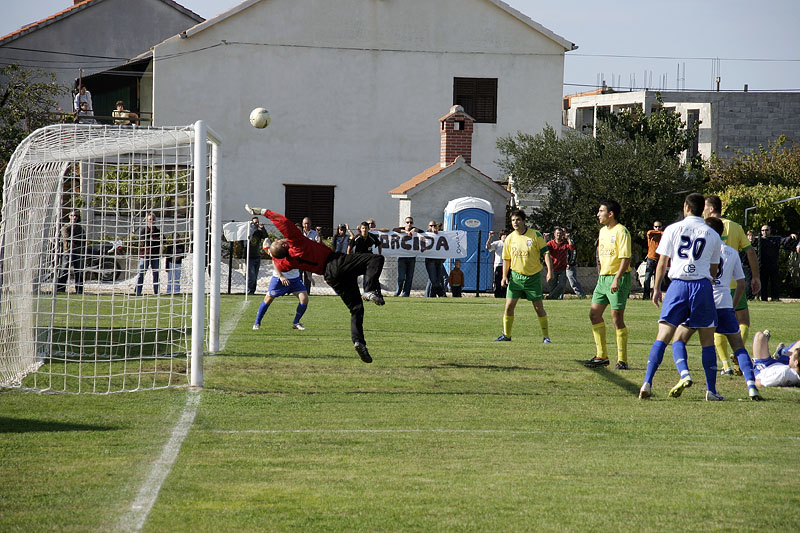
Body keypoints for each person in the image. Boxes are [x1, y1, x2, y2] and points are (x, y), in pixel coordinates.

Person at [246, 204, 386, 363]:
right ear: (285, 245)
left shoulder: (286, 262)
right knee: (376, 259)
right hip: (335, 262)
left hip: (330, 276)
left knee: (356, 308)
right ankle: (369, 290)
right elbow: (284, 223)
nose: (281, 238)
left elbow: (277, 261)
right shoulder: (296, 243)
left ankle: (358, 341)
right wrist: (264, 212)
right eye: (280, 240)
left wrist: (270, 250)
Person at [666, 217, 762, 401]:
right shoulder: (732, 253)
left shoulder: (703, 250)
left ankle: (687, 374)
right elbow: (741, 284)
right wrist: (732, 306)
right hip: (725, 303)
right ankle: (751, 386)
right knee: (738, 346)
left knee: (680, 339)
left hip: (704, 301)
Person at [639, 193, 722, 400]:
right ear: (703, 209)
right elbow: (714, 268)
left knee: (663, 336)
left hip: (678, 285)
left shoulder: (672, 229)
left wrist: (656, 288)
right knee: (707, 341)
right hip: (701, 285)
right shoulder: (712, 233)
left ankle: (647, 383)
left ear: (686, 207)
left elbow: (662, 262)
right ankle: (711, 390)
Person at [703, 195, 760, 376]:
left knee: (715, 323)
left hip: (713, 284)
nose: (703, 210)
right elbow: (749, 251)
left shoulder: (705, 228)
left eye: (705, 207)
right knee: (742, 321)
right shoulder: (735, 227)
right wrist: (755, 276)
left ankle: (726, 364)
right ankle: (737, 357)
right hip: (734, 280)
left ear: (711, 209)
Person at [584, 200, 632, 370]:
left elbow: (626, 258)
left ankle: (622, 360)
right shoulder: (602, 231)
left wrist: (616, 278)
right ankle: (601, 355)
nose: (598, 214)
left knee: (616, 318)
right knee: (594, 315)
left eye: (601, 211)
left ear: (610, 214)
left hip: (617, 278)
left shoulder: (622, 231)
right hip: (603, 279)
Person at [493, 209, 554, 343]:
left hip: (532, 278)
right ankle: (506, 335)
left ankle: (546, 336)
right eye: (513, 220)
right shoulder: (509, 238)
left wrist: (549, 271)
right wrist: (504, 276)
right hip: (516, 278)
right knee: (508, 307)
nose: (515, 222)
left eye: (518, 220)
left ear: (524, 221)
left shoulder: (535, 235)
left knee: (539, 308)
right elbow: (506, 259)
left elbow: (546, 253)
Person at [252, 264, 309, 331]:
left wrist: (309, 275)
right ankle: (257, 323)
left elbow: (305, 262)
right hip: (278, 279)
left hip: (295, 279)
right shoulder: (282, 253)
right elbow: (274, 261)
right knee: (268, 299)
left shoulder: (299, 253)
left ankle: (296, 322)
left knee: (304, 299)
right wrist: (281, 276)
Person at [752, 224, 797, 302]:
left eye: (766, 230)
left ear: (770, 230)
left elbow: (784, 241)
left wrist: (791, 236)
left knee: (775, 282)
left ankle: (775, 298)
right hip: (762, 265)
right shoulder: (758, 240)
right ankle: (763, 299)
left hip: (773, 264)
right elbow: (749, 242)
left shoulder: (775, 239)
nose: (764, 232)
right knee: (763, 283)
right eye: (762, 230)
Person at [56, 210, 86, 294]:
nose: (75, 217)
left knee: (79, 271)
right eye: (73, 215)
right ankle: (60, 289)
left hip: (78, 252)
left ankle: (79, 291)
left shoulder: (80, 228)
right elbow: (67, 238)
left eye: (76, 216)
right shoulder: (65, 227)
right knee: (64, 270)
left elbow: (83, 239)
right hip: (68, 251)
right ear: (69, 216)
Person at [393, 216, 421, 297]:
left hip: (411, 257)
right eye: (407, 222)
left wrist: (415, 230)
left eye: (411, 222)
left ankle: (405, 294)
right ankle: (398, 292)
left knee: (409, 277)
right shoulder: (401, 229)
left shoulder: (415, 230)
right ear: (405, 223)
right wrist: (405, 231)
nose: (409, 224)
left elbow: (422, 232)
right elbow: (394, 230)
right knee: (401, 277)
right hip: (402, 257)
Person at [134, 212, 161, 296]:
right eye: (150, 219)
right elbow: (144, 241)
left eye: (153, 219)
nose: (151, 221)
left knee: (156, 274)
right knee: (141, 273)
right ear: (147, 221)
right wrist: (153, 240)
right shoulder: (143, 230)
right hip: (145, 255)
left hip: (155, 255)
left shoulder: (158, 231)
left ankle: (156, 292)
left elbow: (162, 240)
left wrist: (153, 240)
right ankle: (137, 292)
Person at [546, 228, 574, 300]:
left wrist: (568, 239)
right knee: (552, 286)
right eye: (557, 233)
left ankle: (550, 297)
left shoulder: (564, 243)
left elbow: (571, 248)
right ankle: (553, 300)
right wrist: (544, 239)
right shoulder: (551, 243)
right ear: (554, 234)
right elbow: (544, 249)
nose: (559, 235)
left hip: (562, 268)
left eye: (560, 233)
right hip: (553, 268)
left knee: (561, 285)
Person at [246, 216, 268, 295]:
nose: (256, 224)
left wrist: (262, 228)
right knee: (251, 276)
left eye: (257, 222)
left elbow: (265, 237)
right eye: (255, 222)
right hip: (250, 257)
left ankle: (253, 291)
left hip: (257, 256)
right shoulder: (248, 232)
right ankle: (249, 291)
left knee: (255, 276)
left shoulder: (258, 232)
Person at [642, 221, 664, 300]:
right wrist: (661, 233)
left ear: (661, 227)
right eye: (656, 227)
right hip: (651, 259)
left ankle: (655, 296)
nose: (657, 228)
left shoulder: (662, 236)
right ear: (653, 227)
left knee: (657, 279)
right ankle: (646, 296)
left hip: (659, 259)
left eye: (659, 227)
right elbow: (649, 232)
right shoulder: (651, 233)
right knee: (647, 278)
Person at [424, 220, 446, 297]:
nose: (433, 227)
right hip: (430, 260)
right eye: (431, 226)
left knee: (437, 279)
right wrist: (431, 231)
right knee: (433, 280)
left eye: (434, 226)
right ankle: (441, 294)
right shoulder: (426, 233)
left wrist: (444, 256)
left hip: (439, 260)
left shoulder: (441, 234)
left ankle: (431, 296)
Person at [300, 217, 321, 293]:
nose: (306, 225)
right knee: (299, 276)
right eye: (305, 223)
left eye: (308, 223)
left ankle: (307, 292)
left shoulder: (314, 233)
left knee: (308, 277)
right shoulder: (300, 233)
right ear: (302, 224)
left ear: (310, 224)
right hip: (300, 258)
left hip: (309, 258)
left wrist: (319, 234)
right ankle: (299, 291)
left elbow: (319, 244)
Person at [564, 229, 586, 298]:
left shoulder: (570, 242)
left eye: (564, 232)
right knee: (560, 283)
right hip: (561, 266)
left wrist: (570, 263)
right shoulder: (560, 242)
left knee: (573, 281)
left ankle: (581, 295)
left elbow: (573, 253)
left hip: (569, 266)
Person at [486, 230, 508, 298]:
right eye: (503, 235)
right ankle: (497, 295)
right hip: (499, 264)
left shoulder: (510, 243)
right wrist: (490, 237)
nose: (505, 237)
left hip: (507, 265)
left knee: (506, 281)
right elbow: (488, 247)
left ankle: (505, 295)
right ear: (500, 236)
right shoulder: (497, 243)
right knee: (497, 281)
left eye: (506, 235)